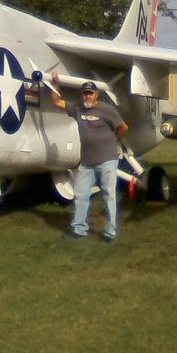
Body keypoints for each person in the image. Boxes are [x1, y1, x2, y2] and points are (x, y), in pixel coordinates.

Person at [50, 75, 128, 242]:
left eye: (90, 93)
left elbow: (123, 127)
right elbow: (57, 102)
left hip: (107, 159)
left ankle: (110, 231)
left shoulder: (106, 110)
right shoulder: (78, 108)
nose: (87, 96)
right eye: (85, 93)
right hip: (87, 162)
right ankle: (79, 229)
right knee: (80, 194)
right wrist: (55, 85)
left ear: (96, 95)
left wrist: (113, 141)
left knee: (109, 194)